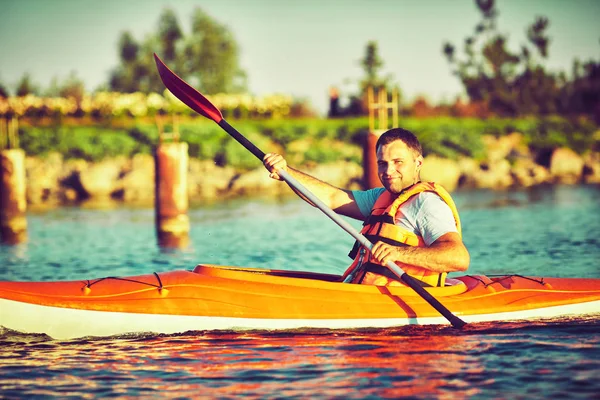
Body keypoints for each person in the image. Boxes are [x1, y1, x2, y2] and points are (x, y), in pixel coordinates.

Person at [263, 127, 469, 287]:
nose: (389, 171)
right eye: (382, 163)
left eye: (398, 162)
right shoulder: (381, 198)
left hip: (402, 301)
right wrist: (286, 172)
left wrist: (398, 254)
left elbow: (458, 257)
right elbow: (333, 198)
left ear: (418, 163)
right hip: (365, 290)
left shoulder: (427, 202)